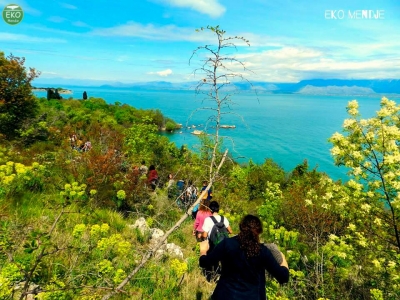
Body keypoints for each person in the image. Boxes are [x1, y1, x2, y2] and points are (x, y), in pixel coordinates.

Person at [199, 215, 289, 299]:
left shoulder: (227, 244)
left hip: (225, 295)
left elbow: (205, 262)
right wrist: (282, 258)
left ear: (241, 227)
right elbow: (283, 277)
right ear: (259, 231)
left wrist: (203, 251)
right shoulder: (262, 251)